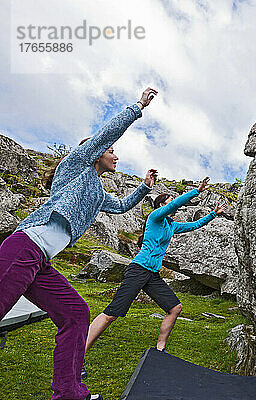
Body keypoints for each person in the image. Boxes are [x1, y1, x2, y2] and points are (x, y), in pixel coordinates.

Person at [0, 87, 158, 400]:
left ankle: (69, 393)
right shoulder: (74, 168)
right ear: (97, 152)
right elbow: (106, 132)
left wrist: (143, 187)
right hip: (24, 247)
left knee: (76, 313)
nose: (116, 155)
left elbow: (122, 206)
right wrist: (138, 106)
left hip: (40, 262)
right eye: (111, 151)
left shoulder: (97, 193)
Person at [84, 178, 227, 366]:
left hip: (152, 275)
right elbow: (176, 203)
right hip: (138, 269)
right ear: (161, 205)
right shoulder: (155, 217)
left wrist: (213, 214)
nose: (173, 205)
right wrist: (196, 191)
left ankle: (160, 348)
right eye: (169, 203)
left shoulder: (171, 225)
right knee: (112, 313)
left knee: (175, 308)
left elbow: (193, 226)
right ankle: (79, 353)